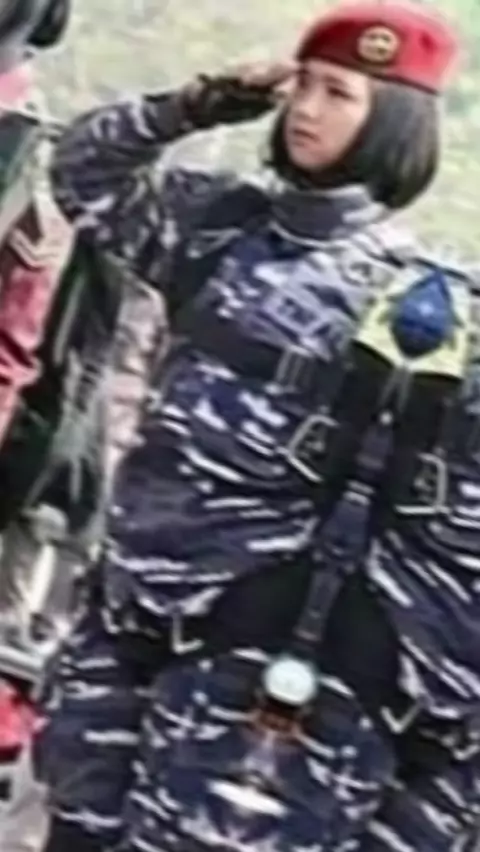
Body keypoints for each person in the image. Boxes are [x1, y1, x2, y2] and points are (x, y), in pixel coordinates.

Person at [34, 3, 480, 851]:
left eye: (338, 94)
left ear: (395, 123)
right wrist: (197, 104)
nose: (305, 110)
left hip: (276, 658)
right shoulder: (219, 229)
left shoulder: (420, 303)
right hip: (152, 620)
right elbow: (84, 174)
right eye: (302, 86)